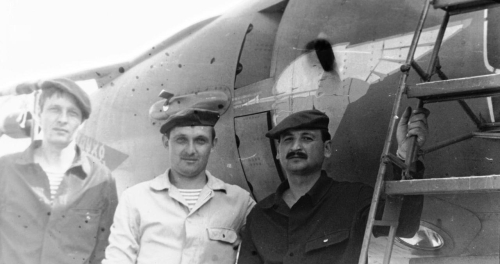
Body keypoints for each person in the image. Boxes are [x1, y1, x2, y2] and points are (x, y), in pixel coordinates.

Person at [238, 107, 429, 264]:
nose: (296, 147)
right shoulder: (260, 217)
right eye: (288, 140)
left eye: (307, 138)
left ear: (327, 149)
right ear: (278, 152)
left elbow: (404, 225)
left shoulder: (354, 199)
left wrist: (406, 158)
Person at [103, 108, 255, 264]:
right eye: (181, 140)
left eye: (200, 141)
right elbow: (118, 258)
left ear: (213, 144)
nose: (190, 150)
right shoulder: (135, 199)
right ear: (166, 142)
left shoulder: (240, 201)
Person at [0, 78, 118, 264]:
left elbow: (103, 248)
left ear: (81, 123)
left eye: (72, 113)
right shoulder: (5, 170)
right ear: (38, 115)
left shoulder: (101, 179)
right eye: (54, 109)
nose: (62, 119)